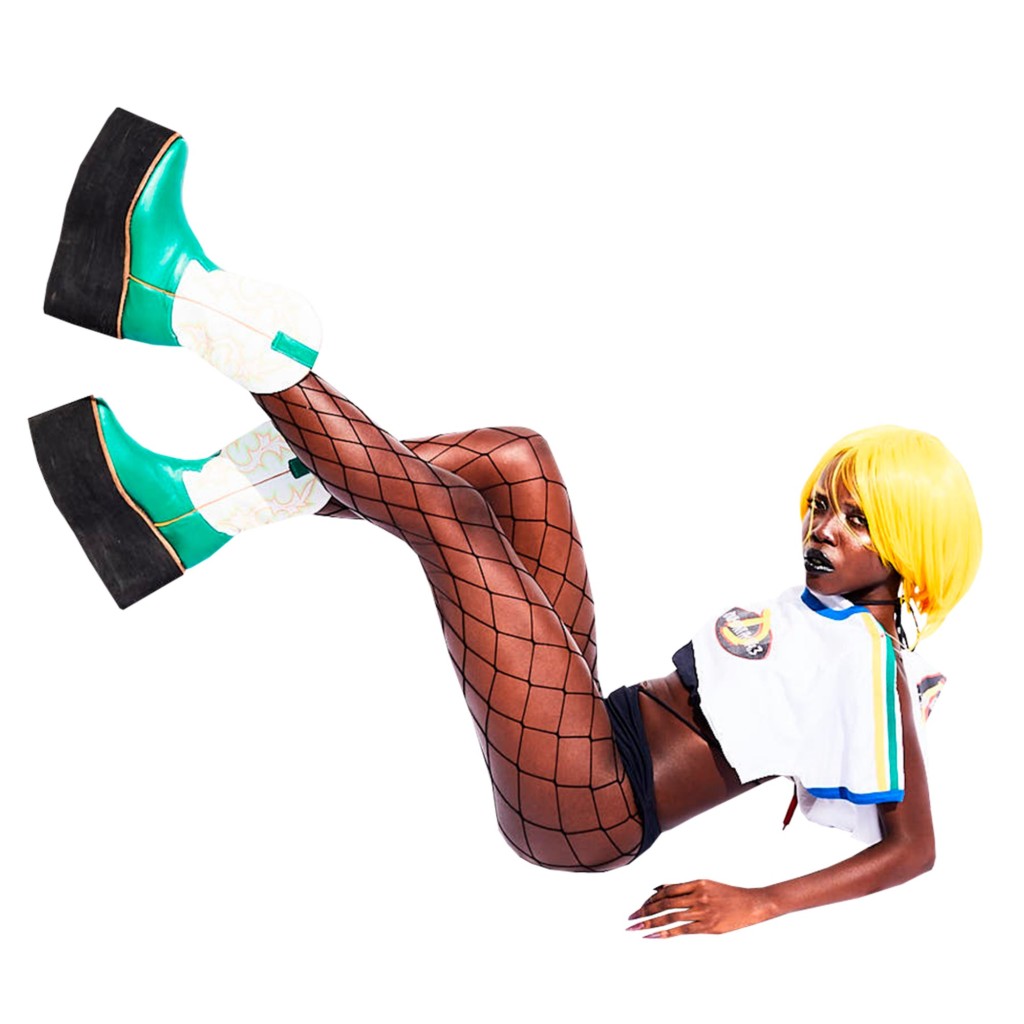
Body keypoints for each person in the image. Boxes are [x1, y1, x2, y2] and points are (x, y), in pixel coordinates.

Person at [32, 109, 983, 935]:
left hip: (589, 805)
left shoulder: (872, 662)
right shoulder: (839, 627)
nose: (824, 528)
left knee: (452, 524)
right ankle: (193, 506)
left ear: (912, 550)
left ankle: (179, 295)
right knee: (516, 462)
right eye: (822, 503)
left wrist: (758, 903)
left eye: (859, 520)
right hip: (594, 720)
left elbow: (915, 850)